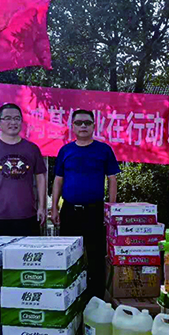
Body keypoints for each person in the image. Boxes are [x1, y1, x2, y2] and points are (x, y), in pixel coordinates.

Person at [50, 109, 120, 298]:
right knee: (68, 255)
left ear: (93, 126)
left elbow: (112, 179)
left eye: (87, 123)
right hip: (69, 211)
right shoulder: (65, 150)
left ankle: (96, 299)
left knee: (96, 256)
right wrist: (54, 207)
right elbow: (58, 180)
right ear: (72, 126)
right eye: (79, 122)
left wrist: (111, 208)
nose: (83, 126)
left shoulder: (104, 150)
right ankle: (69, 297)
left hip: (95, 212)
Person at [0, 103, 47, 237]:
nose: (13, 122)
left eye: (17, 118)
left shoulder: (32, 149)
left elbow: (40, 178)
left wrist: (42, 207)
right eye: (8, 118)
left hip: (27, 215)